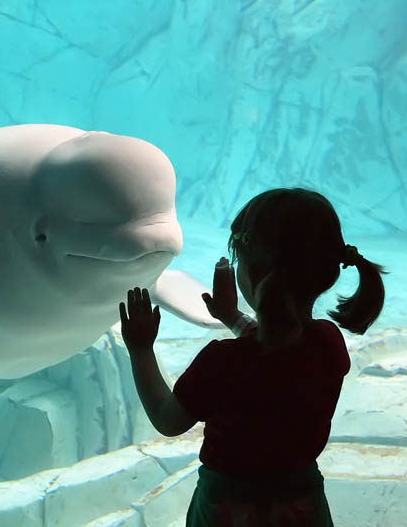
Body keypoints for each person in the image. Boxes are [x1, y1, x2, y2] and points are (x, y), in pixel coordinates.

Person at [118, 187, 388, 526]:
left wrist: (141, 349)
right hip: (302, 506)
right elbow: (275, 356)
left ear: (252, 273)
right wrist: (232, 318)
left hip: (229, 510)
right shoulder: (328, 343)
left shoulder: (221, 362)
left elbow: (168, 420)